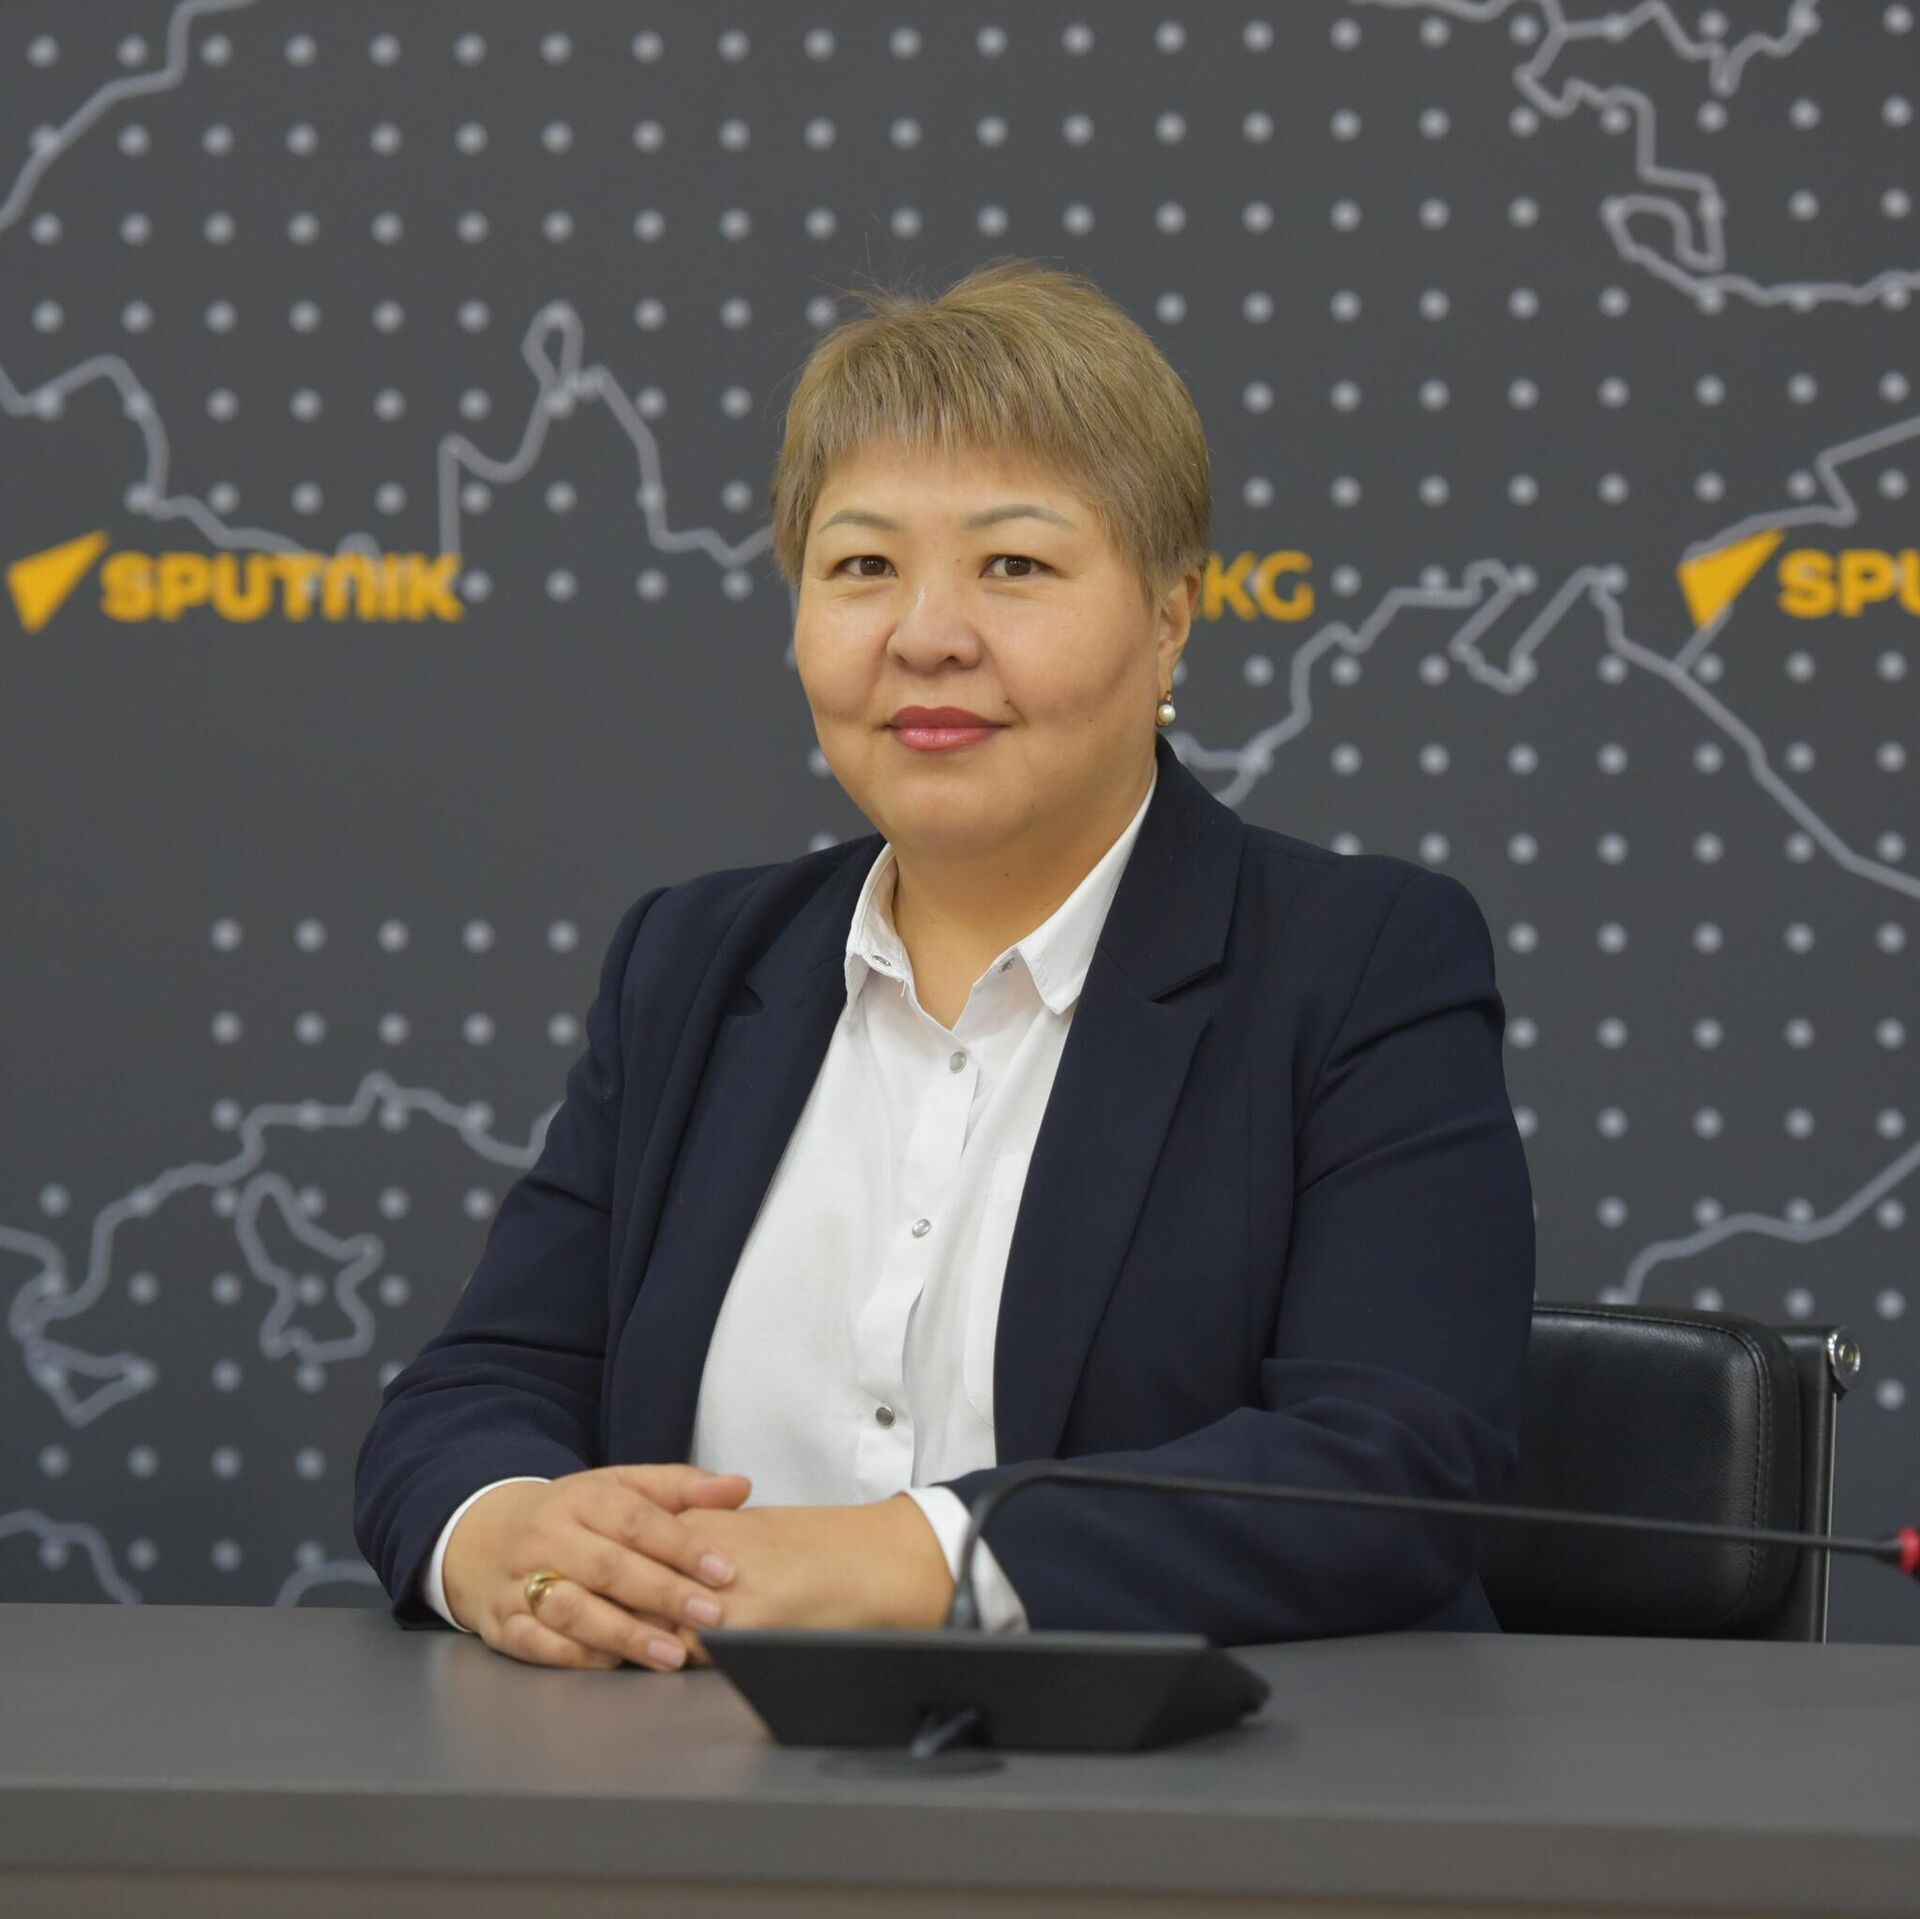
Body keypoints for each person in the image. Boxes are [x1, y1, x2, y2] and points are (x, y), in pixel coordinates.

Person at [353, 257, 1536, 1675]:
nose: (926, 636)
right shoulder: (693, 965)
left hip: (1198, 1789)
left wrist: (905, 1560)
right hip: (684, 1780)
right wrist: (501, 1533)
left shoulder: (1357, 965)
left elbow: (1393, 1463)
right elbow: (479, 1387)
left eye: (1013, 566)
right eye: (862, 568)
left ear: (1170, 617)